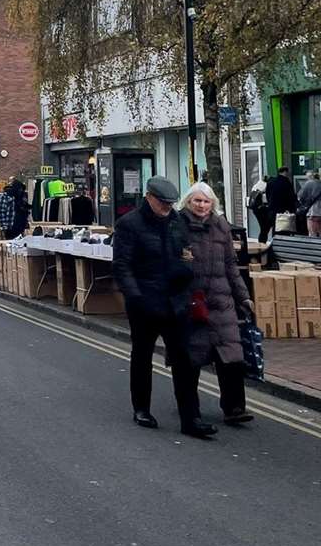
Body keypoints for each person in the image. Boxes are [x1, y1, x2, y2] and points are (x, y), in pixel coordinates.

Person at [111, 175, 213, 438]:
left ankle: (191, 419)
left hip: (176, 301)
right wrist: (136, 298)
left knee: (185, 362)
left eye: (170, 203)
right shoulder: (129, 224)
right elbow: (122, 266)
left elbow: (186, 252)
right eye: (162, 203)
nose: (167, 208)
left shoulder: (177, 222)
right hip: (145, 302)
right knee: (142, 357)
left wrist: (187, 274)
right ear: (149, 198)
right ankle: (141, 408)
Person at [177, 183, 254, 426]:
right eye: (197, 201)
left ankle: (235, 408)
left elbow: (231, 265)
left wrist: (244, 297)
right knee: (192, 359)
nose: (201, 205)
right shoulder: (176, 225)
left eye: (206, 201)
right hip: (192, 302)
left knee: (230, 357)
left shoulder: (222, 226)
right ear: (188, 202)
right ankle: (191, 412)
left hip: (221, 301)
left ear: (213, 204)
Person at [297, 171, 321, 239]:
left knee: (312, 234)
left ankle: (315, 248)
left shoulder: (309, 183)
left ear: (311, 177)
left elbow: (300, 196)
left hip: (313, 212)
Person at [265, 167, 296, 232]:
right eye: (288, 172)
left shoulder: (271, 181)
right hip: (283, 210)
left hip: (272, 209)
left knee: (275, 227)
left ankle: (274, 240)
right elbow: (291, 196)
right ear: (285, 172)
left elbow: (267, 194)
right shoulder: (286, 182)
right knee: (284, 228)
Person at [246, 174, 272, 243]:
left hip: (256, 209)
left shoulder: (256, 185)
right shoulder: (264, 185)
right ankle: (262, 243)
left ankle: (262, 242)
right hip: (261, 209)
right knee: (265, 228)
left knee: (264, 228)